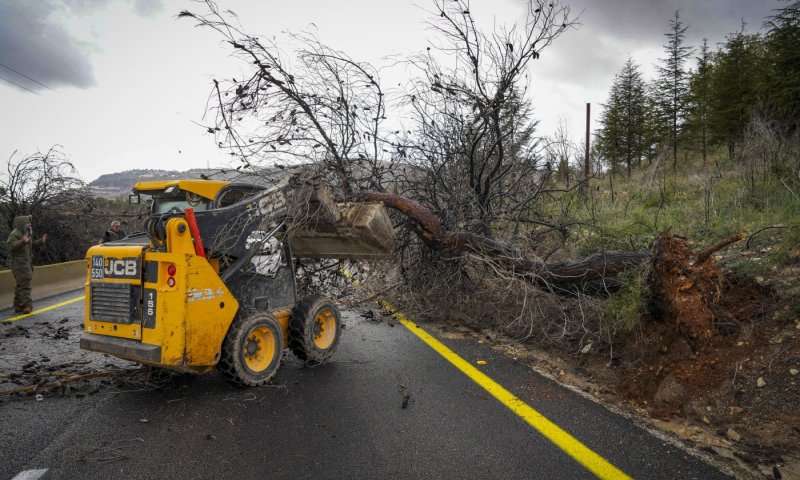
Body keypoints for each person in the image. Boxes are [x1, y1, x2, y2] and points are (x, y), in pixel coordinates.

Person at [6, 215, 47, 314]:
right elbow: (11, 246)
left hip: (26, 263)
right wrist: (22, 241)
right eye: (28, 223)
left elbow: (30, 246)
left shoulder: (25, 233)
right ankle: (27, 305)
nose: (30, 224)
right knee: (25, 284)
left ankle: (18, 305)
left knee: (21, 284)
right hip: (19, 264)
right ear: (22, 224)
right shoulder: (14, 234)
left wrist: (41, 242)